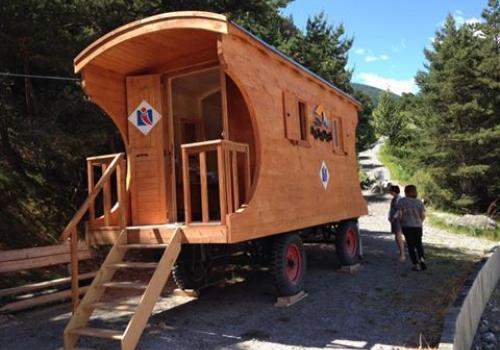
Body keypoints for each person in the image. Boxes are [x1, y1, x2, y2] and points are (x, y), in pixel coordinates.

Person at [397, 185, 427, 271]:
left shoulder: (402, 201)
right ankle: (422, 260)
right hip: (418, 226)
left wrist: (401, 222)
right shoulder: (419, 202)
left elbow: (400, 214)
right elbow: (423, 215)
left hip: (407, 226)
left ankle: (415, 264)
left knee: (410, 246)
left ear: (406, 191)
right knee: (419, 244)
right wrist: (420, 222)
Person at [388, 185, 405, 261]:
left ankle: (402, 254)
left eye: (391, 191)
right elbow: (391, 209)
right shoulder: (394, 199)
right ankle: (400, 252)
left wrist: (394, 217)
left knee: (398, 236)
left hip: (397, 220)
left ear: (394, 191)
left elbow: (399, 210)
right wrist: (389, 217)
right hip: (394, 220)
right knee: (396, 237)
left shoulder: (399, 199)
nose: (390, 193)